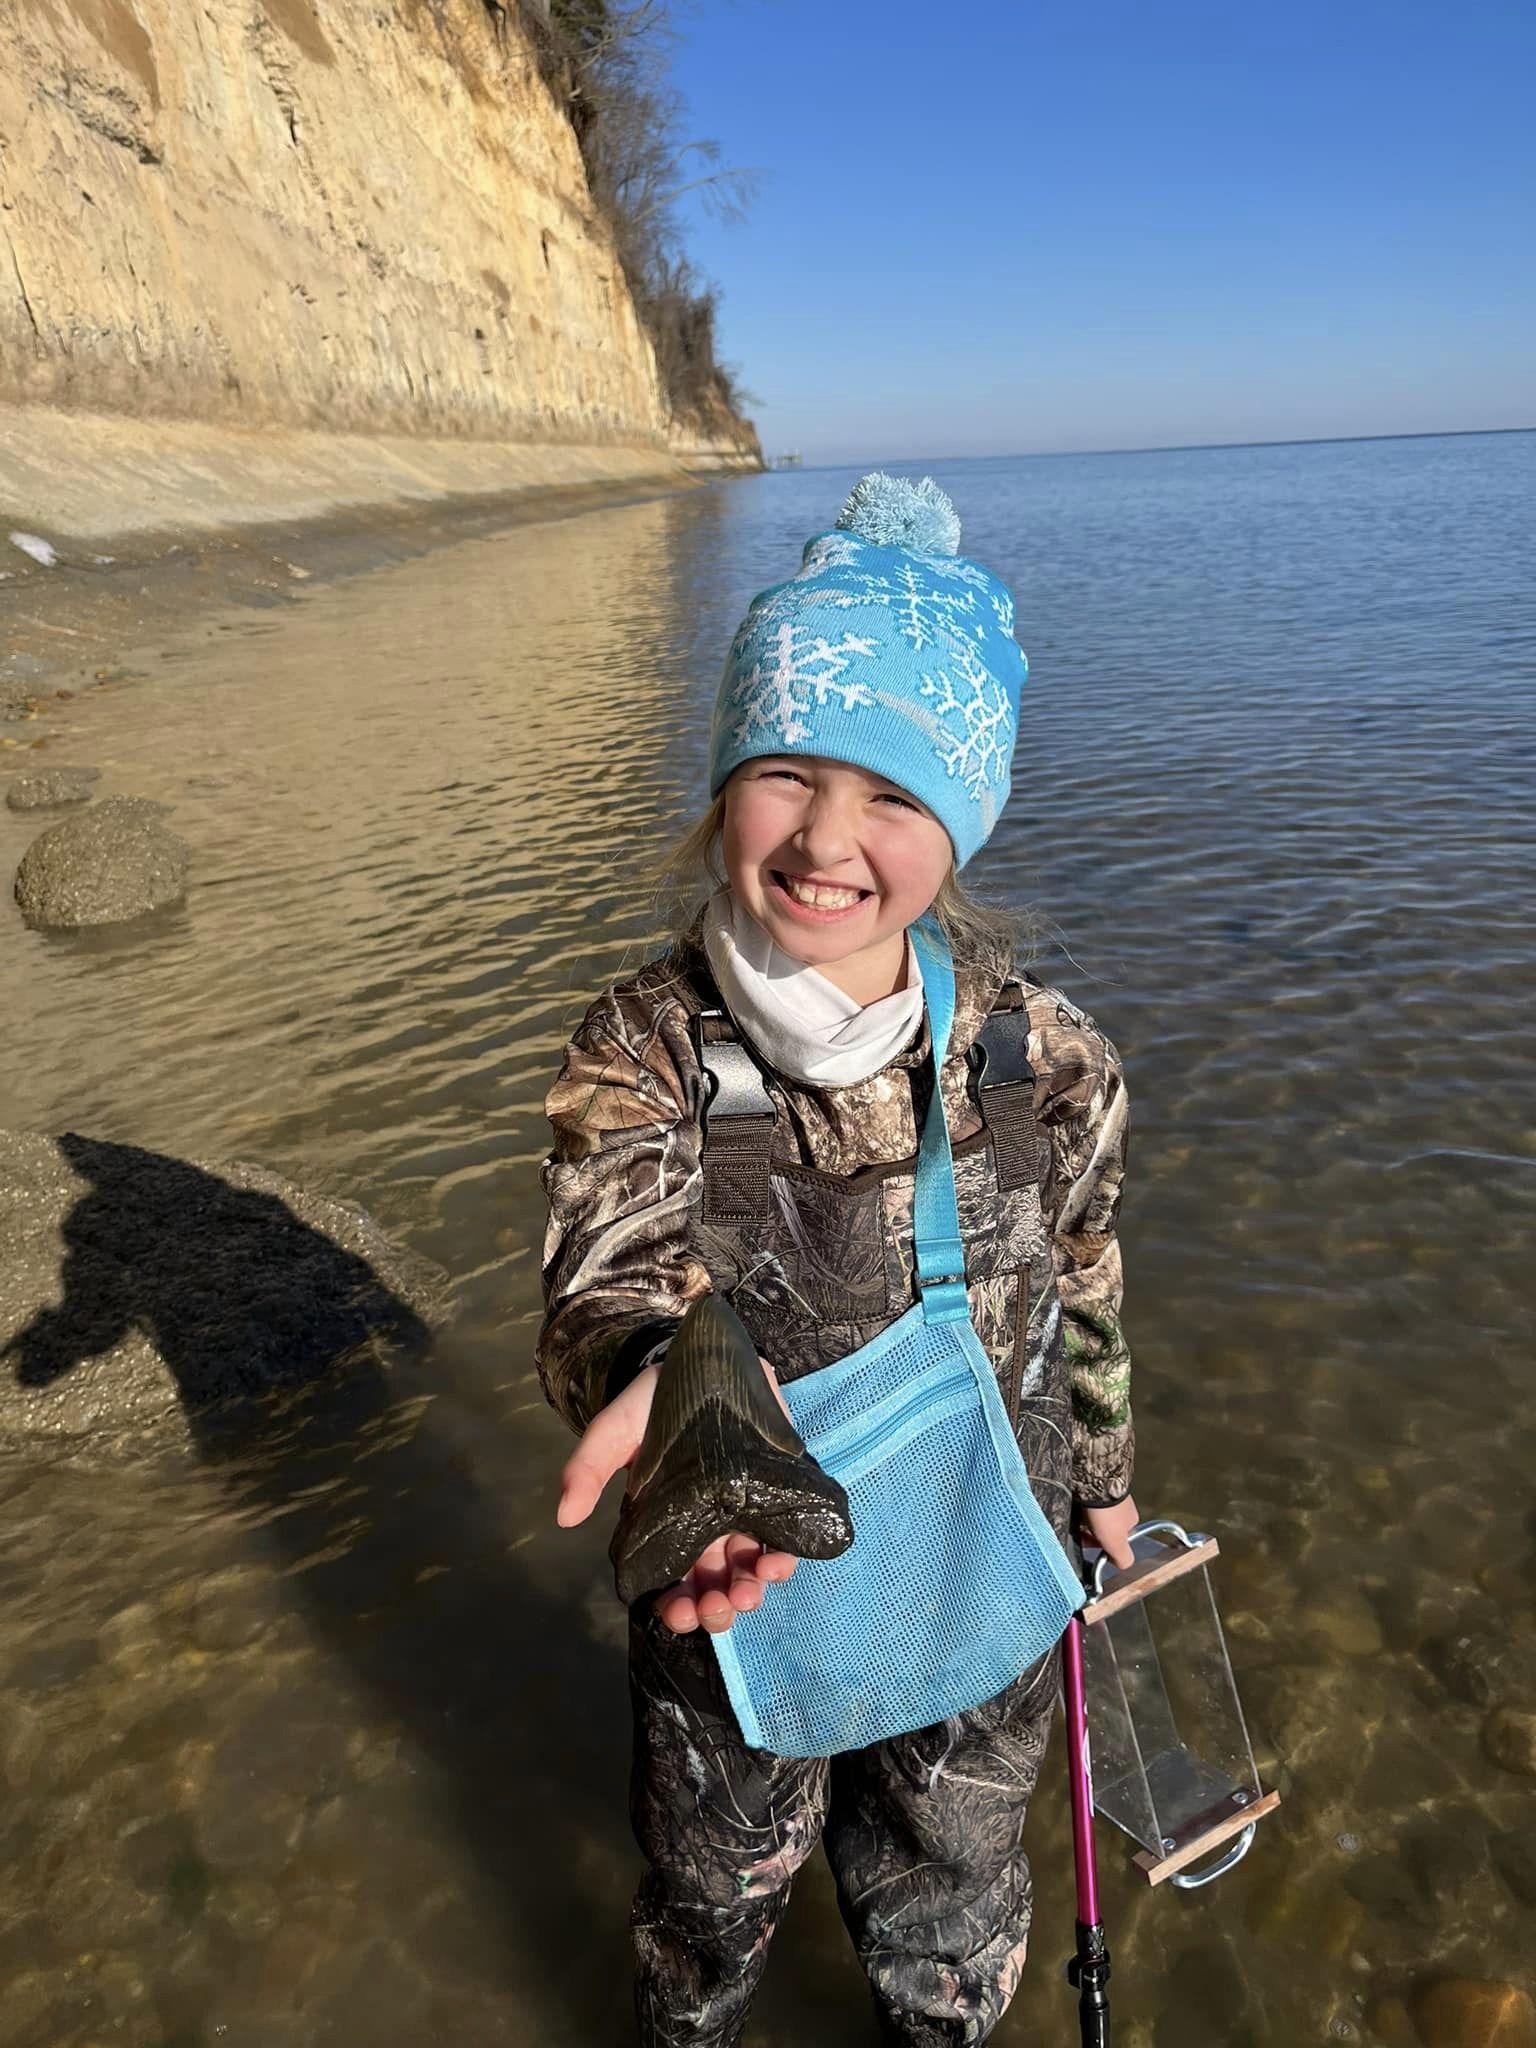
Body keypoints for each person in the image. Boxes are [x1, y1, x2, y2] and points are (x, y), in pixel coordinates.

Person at [537, 473, 1138, 2046]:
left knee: (951, 1879)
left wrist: (1111, 1486)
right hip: (726, 1582)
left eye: (892, 795)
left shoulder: (1043, 1057)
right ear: (725, 776)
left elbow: (1083, 1268)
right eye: (786, 773)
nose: (825, 840)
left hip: (981, 1562)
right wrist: (663, 1387)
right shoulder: (646, 1047)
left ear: (967, 815)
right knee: (710, 1895)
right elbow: (610, 1270)